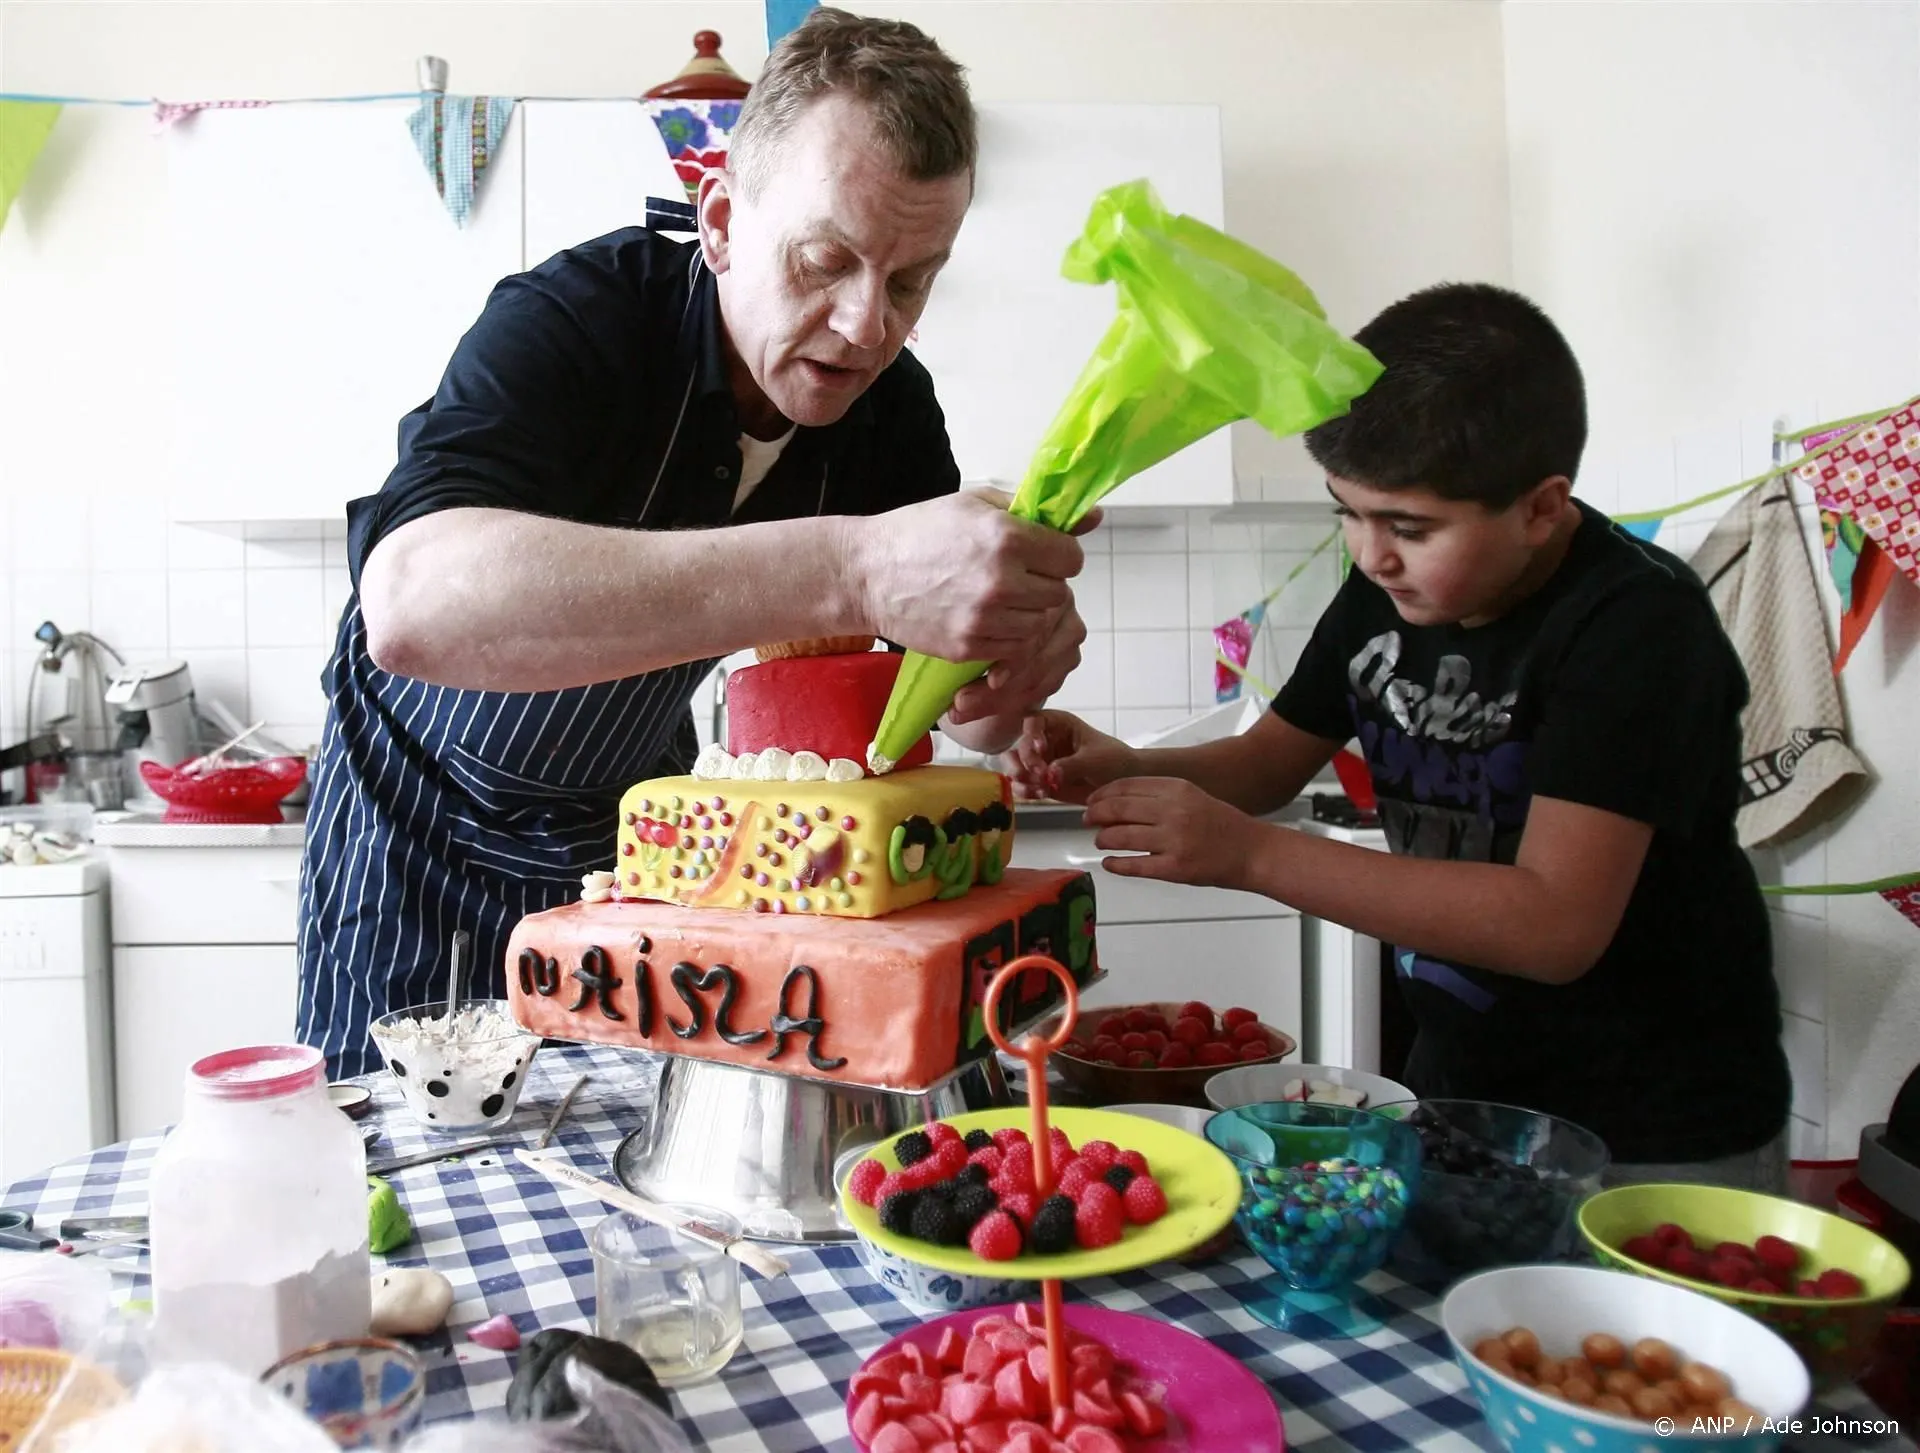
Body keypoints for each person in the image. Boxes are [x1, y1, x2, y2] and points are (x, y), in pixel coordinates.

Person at [300, 8, 1091, 1077]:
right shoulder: (579, 322)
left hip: (640, 838)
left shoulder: (893, 414)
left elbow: (938, 710)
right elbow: (413, 607)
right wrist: (852, 565)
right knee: (403, 1169)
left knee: (633, 1147)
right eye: (825, 260)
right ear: (719, 221)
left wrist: (1000, 670)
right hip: (412, 829)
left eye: (912, 281)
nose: (868, 327)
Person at [1009, 282, 1792, 1189]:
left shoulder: (1634, 626)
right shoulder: (1387, 590)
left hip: (1654, 1132)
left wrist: (1252, 857)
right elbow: (1267, 760)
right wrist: (1126, 765)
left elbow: (1554, 922)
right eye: (1347, 510)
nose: (1371, 552)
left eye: (1409, 526)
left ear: (1542, 507)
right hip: (1465, 1097)